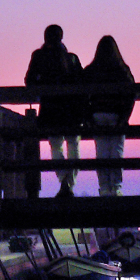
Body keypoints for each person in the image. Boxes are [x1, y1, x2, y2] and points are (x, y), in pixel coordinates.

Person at [25, 24, 83, 197]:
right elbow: (81, 82)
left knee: (56, 145)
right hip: (72, 110)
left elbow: (29, 81)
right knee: (73, 144)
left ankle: (64, 180)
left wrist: (43, 83)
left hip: (51, 109)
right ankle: (69, 183)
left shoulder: (39, 57)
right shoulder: (71, 58)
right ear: (61, 37)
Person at [81, 35, 135, 196]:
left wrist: (88, 118)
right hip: (116, 114)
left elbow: (81, 95)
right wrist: (124, 118)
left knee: (102, 153)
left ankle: (104, 187)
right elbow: (131, 94)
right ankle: (116, 187)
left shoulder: (91, 70)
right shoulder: (121, 69)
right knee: (116, 151)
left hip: (98, 114)